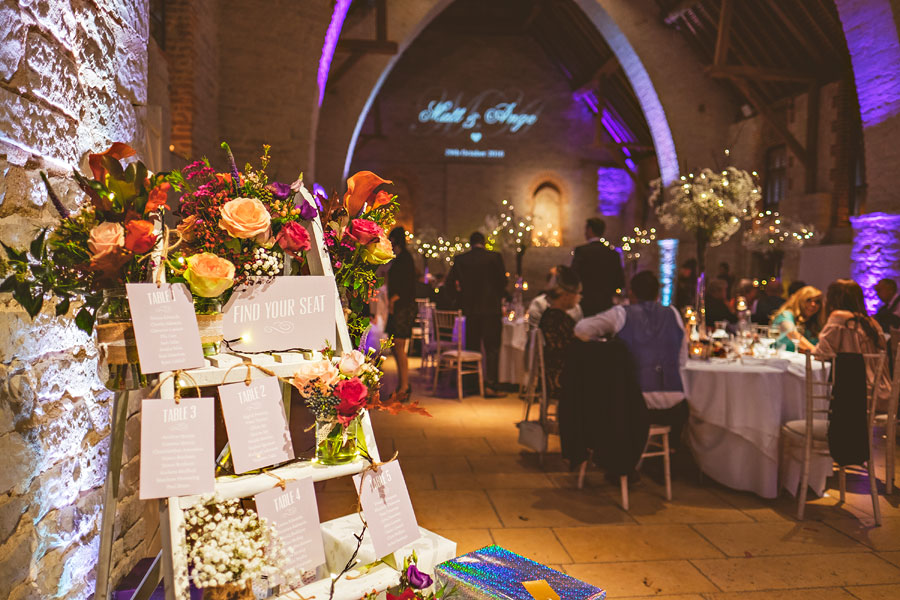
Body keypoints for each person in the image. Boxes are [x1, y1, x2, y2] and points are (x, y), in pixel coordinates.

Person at [574, 270, 689, 446]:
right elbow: (682, 359)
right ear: (657, 295)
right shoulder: (673, 313)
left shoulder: (620, 314)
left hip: (635, 405)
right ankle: (667, 454)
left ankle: (612, 454)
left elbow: (581, 329)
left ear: (631, 293)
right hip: (674, 407)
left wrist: (605, 345)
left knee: (600, 397)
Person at [801, 279, 890, 410]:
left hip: (854, 395)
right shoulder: (872, 323)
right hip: (882, 392)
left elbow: (821, 354)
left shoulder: (839, 318)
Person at [445, 231, 508, 397]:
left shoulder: (461, 259)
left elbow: (449, 283)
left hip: (471, 310)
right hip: (491, 310)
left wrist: (459, 300)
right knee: (492, 348)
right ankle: (491, 386)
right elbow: (503, 282)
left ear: (471, 243)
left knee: (472, 347)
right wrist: (497, 296)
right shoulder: (495, 257)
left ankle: (471, 384)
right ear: (484, 242)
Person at [537, 266, 582, 398]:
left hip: (553, 374)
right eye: (576, 294)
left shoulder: (550, 316)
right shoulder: (558, 320)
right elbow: (568, 349)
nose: (578, 297)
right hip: (561, 379)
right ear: (566, 296)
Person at [385, 227, 417, 400]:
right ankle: (402, 385)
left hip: (403, 307)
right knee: (395, 347)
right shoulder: (399, 258)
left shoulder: (405, 258)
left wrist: (393, 300)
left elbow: (407, 285)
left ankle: (404, 386)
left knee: (399, 345)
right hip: (398, 307)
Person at [571, 217, 625, 317]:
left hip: (585, 303)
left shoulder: (581, 251)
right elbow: (620, 281)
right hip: (606, 304)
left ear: (590, 230)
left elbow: (574, 276)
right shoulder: (613, 254)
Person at [771, 285, 823, 352]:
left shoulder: (815, 322)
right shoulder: (786, 315)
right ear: (800, 300)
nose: (813, 304)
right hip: (783, 360)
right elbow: (792, 333)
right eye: (808, 300)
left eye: (817, 302)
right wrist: (815, 351)